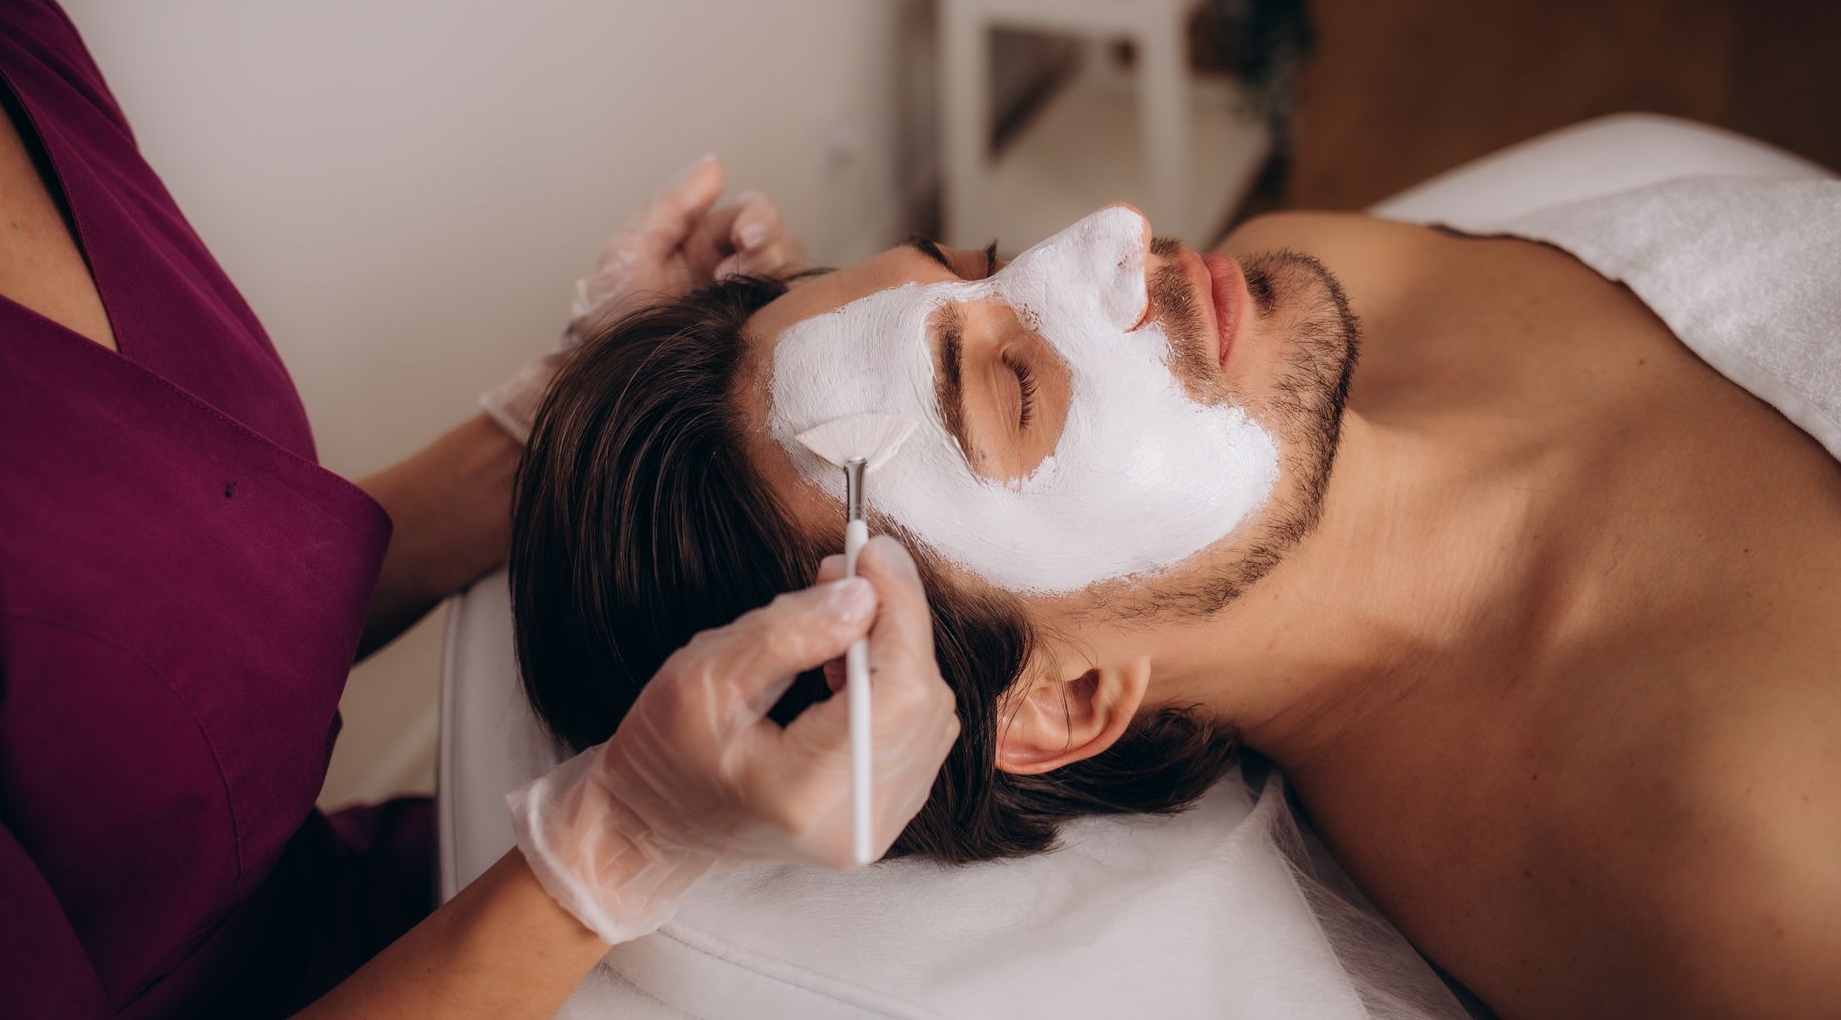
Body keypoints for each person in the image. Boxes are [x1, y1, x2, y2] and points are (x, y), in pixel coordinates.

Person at [0, 0, 958, 1015]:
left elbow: (176, 619)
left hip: (352, 906)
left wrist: (559, 407)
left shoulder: (4, 45)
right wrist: (617, 841)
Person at [511, 193, 1841, 1019]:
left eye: (981, 256)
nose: (1112, 237)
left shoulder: (1312, 264)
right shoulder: (1742, 864)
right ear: (1060, 701)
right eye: (1009, 390)